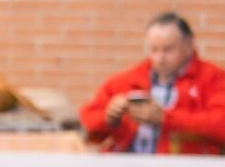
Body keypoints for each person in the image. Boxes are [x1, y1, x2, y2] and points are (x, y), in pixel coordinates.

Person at [80, 13, 225, 155]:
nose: (160, 58)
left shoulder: (212, 78)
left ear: (188, 45)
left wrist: (166, 118)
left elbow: (220, 124)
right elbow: (86, 123)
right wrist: (109, 118)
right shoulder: (126, 80)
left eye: (168, 49)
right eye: (154, 49)